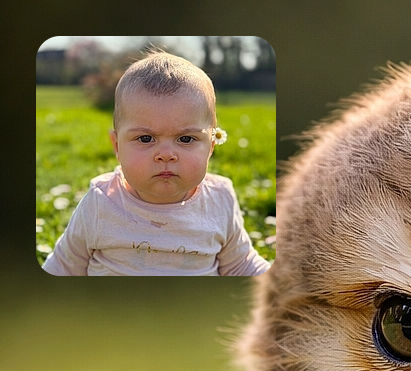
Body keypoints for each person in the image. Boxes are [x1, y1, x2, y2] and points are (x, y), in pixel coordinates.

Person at [42, 51, 271, 276]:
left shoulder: (219, 200)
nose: (166, 155)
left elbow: (241, 265)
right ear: (117, 146)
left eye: (185, 139)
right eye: (145, 138)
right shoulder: (101, 202)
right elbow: (63, 267)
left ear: (211, 146)